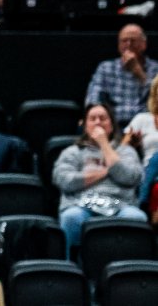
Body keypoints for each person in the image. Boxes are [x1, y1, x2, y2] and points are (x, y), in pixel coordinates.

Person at [52, 103, 145, 259]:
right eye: (92, 119)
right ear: (84, 125)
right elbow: (63, 180)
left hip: (120, 206)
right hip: (80, 204)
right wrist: (104, 173)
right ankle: (70, 269)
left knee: (137, 218)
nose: (98, 122)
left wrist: (104, 144)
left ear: (111, 125)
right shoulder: (73, 152)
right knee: (70, 217)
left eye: (103, 118)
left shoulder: (126, 151)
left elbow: (130, 177)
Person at [85, 24, 158, 126]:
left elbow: (155, 98)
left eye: (133, 40)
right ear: (119, 45)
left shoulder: (155, 68)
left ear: (143, 44)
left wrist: (139, 73)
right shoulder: (106, 67)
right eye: (124, 40)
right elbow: (93, 98)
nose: (128, 44)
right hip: (113, 124)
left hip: (146, 124)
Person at [123, 76, 158, 166]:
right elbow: (122, 150)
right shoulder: (142, 119)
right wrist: (132, 144)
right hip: (150, 174)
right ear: (155, 94)